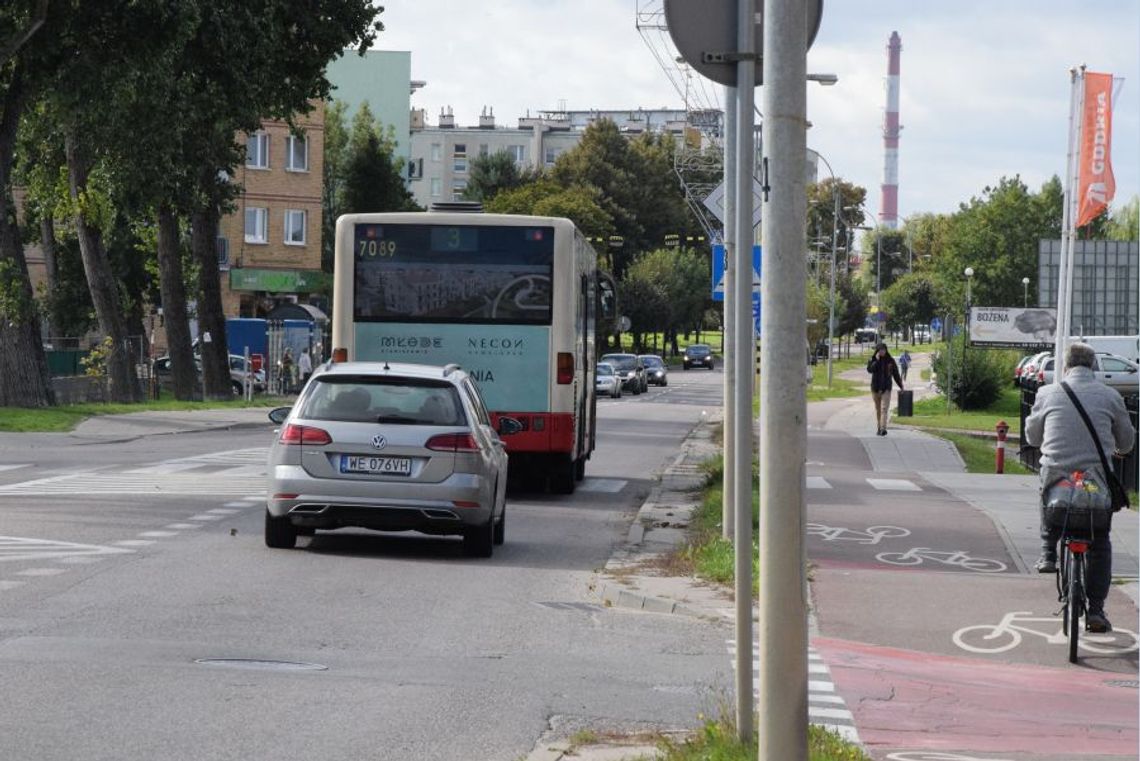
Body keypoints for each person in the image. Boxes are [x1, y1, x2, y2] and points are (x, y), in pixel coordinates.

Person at [1024, 342, 1134, 633]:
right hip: (1095, 489)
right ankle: (1096, 610)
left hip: (1057, 489)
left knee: (1045, 482)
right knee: (1100, 544)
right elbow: (1126, 441)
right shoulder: (1111, 396)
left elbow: (1032, 438)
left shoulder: (1047, 393)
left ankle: (1048, 550)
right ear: (1094, 366)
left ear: (1065, 366)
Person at [866, 342, 904, 436]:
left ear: (886, 350)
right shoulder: (873, 359)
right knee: (878, 409)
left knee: (884, 409)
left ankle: (883, 428)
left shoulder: (890, 361)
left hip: (886, 388)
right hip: (875, 388)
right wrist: (877, 361)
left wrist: (901, 385)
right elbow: (870, 370)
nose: (882, 351)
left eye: (884, 350)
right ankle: (879, 427)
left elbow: (896, 374)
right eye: (880, 350)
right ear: (877, 351)